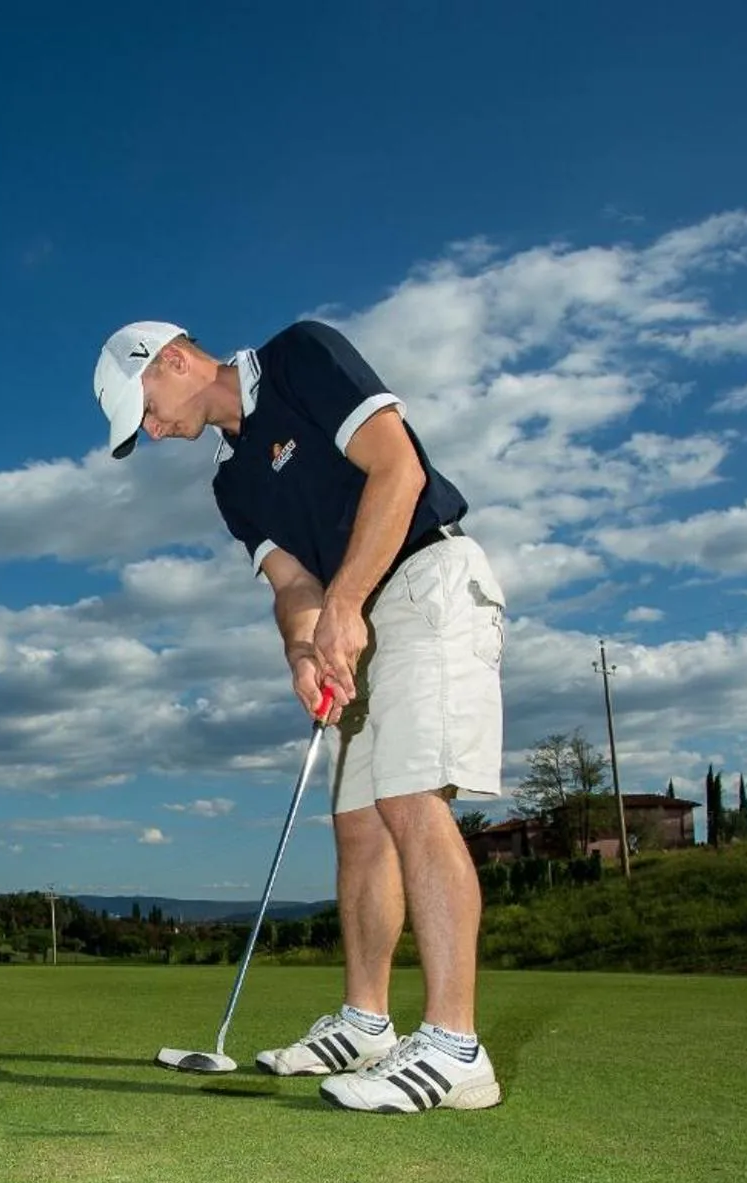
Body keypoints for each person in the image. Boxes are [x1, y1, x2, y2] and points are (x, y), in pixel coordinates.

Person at [94, 320, 506, 1112]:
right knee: (357, 823)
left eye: (146, 410)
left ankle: (457, 1048)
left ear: (175, 360)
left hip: (426, 580)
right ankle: (366, 1022)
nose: (153, 431)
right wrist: (305, 652)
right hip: (357, 620)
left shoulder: (299, 357)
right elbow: (292, 586)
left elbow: (399, 470)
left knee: (411, 799)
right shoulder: (230, 484)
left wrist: (345, 605)